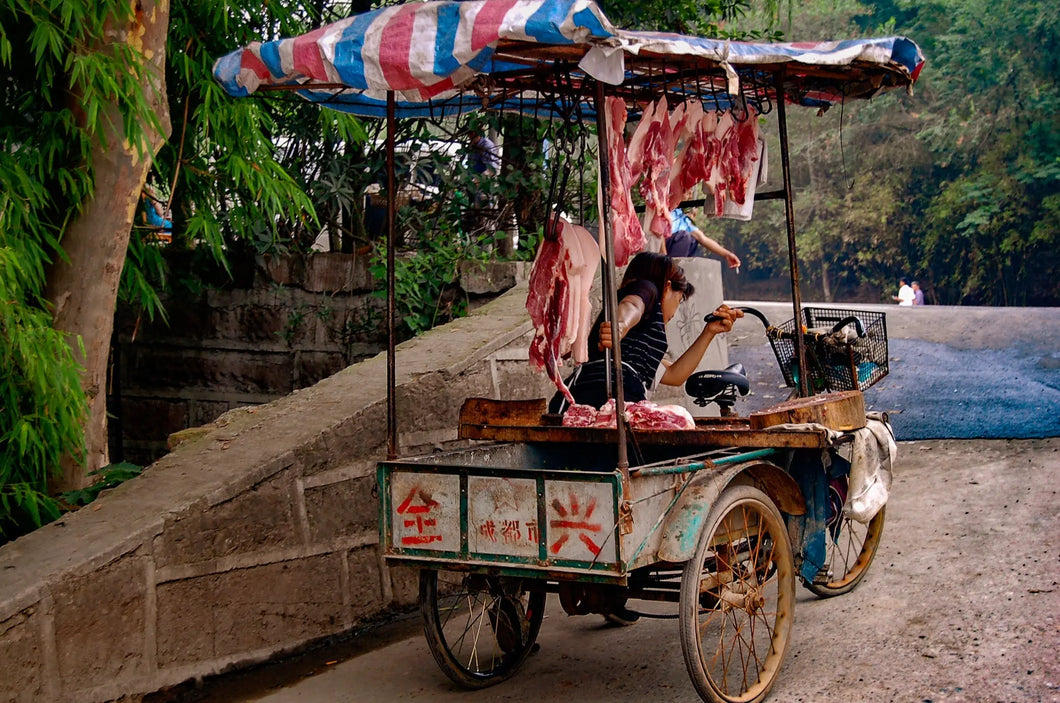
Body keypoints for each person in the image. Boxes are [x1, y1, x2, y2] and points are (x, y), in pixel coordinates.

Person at [550, 252, 743, 412]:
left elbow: (675, 374)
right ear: (667, 287)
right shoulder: (647, 288)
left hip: (580, 401)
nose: (676, 311)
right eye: (680, 298)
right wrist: (620, 325)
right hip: (598, 397)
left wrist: (709, 332)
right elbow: (632, 305)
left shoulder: (639, 347)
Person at [665, 207, 741, 270]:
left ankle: (677, 270)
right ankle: (671, 269)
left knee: (692, 240)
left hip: (673, 250)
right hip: (661, 249)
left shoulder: (682, 218)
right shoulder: (665, 209)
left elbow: (703, 239)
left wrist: (727, 255)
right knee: (684, 237)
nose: (689, 195)